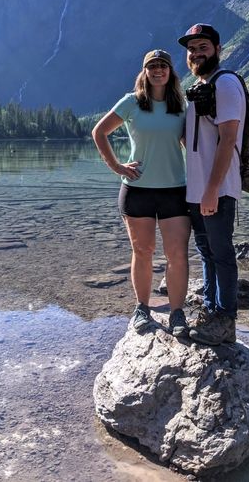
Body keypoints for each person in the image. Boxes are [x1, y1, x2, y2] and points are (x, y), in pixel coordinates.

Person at [92, 49, 190, 336]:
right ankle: (142, 309)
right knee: (143, 251)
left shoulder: (181, 105)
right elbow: (99, 132)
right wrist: (117, 167)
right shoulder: (132, 102)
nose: (158, 70)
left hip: (175, 190)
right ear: (144, 72)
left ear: (171, 71)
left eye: (163, 66)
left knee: (177, 255)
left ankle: (177, 313)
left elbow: (190, 143)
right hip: (138, 190)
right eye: (152, 66)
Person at [177, 24, 246, 346]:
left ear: (218, 49)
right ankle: (209, 310)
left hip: (216, 188)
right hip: (197, 190)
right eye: (191, 49)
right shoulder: (199, 86)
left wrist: (211, 189)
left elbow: (228, 137)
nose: (196, 53)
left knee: (221, 253)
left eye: (203, 46)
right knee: (206, 253)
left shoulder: (226, 83)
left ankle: (225, 319)